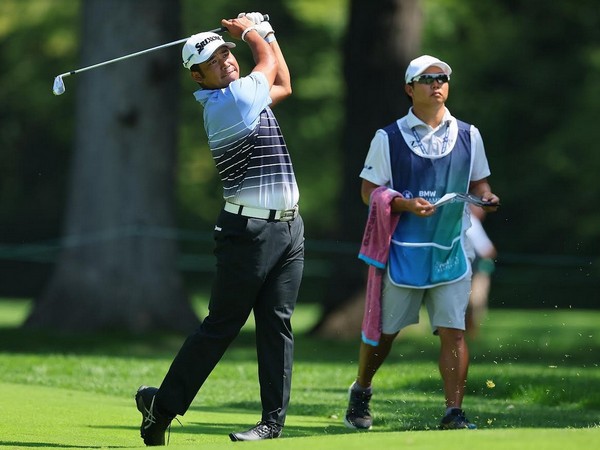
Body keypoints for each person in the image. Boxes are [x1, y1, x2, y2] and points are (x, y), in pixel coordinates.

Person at [135, 12, 304, 445]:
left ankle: (272, 423)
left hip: (288, 229)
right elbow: (266, 67)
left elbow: (283, 83)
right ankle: (163, 407)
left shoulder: (246, 94)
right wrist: (252, 32)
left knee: (277, 326)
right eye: (215, 58)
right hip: (247, 234)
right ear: (198, 76)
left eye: (227, 52)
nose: (228, 59)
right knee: (222, 325)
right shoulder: (230, 103)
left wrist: (265, 34)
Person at [344, 55, 500, 431]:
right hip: (403, 252)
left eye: (443, 78)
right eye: (427, 79)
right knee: (385, 334)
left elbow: (479, 183)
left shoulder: (468, 134)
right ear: (409, 89)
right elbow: (369, 192)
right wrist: (403, 204)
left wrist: (487, 196)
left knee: (454, 330)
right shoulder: (388, 137)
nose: (437, 84)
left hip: (451, 249)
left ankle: (453, 412)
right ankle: (362, 388)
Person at [465, 204, 497, 337]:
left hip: (464, 271)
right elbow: (488, 250)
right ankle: (472, 333)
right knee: (476, 302)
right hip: (476, 272)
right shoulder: (472, 221)